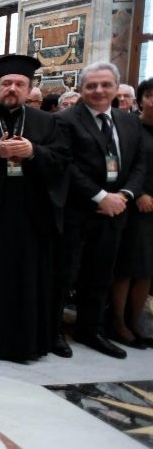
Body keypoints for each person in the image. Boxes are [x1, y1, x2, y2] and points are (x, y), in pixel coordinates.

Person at [0, 54, 68, 361]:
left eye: (19, 84)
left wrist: (33, 151)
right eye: (6, 83)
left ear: (29, 89)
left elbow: (62, 162)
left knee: (26, 280)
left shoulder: (46, 123)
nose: (12, 89)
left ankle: (26, 343)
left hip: (31, 214)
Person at [57, 62, 147, 359]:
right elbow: (66, 164)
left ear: (115, 87)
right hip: (78, 212)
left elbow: (138, 164)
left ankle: (91, 329)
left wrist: (124, 194)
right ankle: (55, 331)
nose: (98, 91)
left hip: (116, 211)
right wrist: (99, 196)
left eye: (105, 85)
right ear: (81, 89)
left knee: (101, 274)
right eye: (91, 85)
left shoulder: (129, 121)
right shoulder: (66, 120)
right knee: (67, 273)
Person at [110, 78, 153, 348]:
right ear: (141, 100)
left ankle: (136, 320)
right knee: (128, 266)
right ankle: (118, 321)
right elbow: (125, 165)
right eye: (151, 96)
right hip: (135, 206)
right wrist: (137, 193)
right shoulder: (131, 128)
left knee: (148, 269)